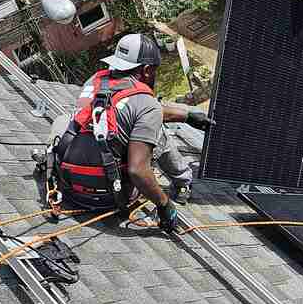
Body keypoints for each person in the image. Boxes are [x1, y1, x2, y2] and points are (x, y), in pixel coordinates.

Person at [44, 33, 212, 233]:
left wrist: (187, 116)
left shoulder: (95, 81)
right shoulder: (146, 104)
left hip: (71, 190)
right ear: (147, 70)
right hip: (112, 196)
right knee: (156, 130)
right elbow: (137, 169)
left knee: (65, 119)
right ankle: (183, 181)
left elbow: (132, 109)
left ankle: (47, 162)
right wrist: (164, 206)